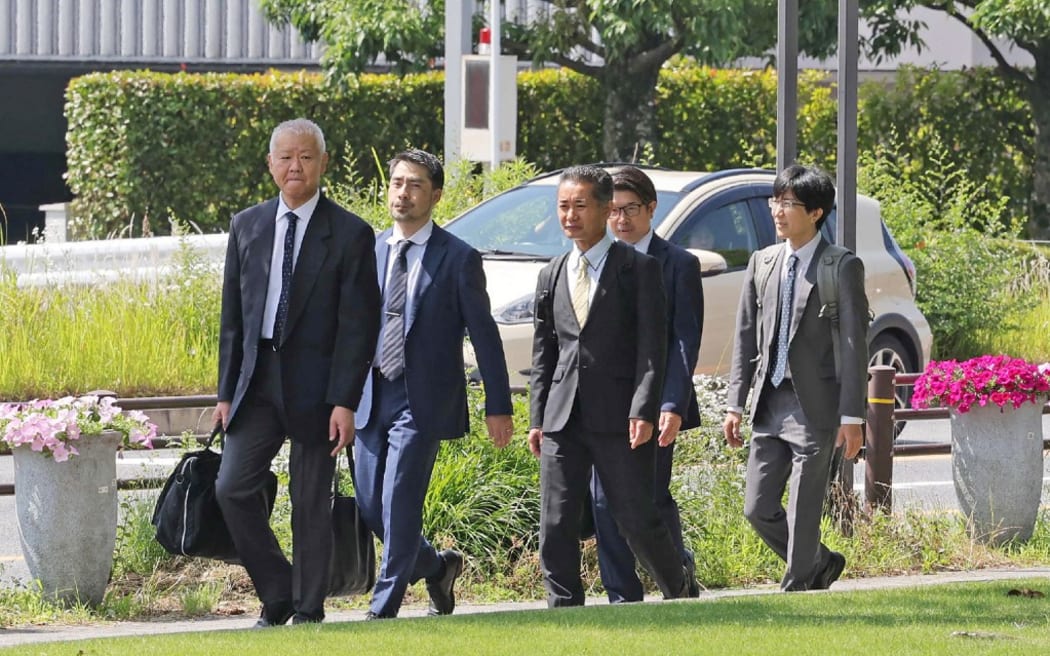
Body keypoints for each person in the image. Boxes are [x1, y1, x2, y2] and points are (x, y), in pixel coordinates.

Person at [213, 118, 381, 626]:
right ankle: (279, 590)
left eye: (305, 157)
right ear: (270, 164)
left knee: (310, 503)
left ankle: (307, 610)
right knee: (232, 488)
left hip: (319, 389)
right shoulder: (248, 225)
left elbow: (358, 328)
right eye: (285, 156)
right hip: (257, 380)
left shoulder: (351, 233)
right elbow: (232, 317)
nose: (294, 166)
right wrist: (225, 391)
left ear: (323, 164)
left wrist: (345, 401)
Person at [353, 149, 514, 619]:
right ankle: (437, 566)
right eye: (397, 182)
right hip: (369, 396)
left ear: (435, 194)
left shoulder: (458, 258)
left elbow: (485, 336)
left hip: (421, 402)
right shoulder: (371, 251)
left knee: (399, 502)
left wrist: (497, 404)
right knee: (371, 508)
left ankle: (382, 609)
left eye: (415, 184)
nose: (403, 192)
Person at [528, 164, 693, 607]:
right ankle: (564, 608)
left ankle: (678, 589)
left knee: (635, 517)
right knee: (556, 519)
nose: (570, 216)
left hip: (620, 415)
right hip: (563, 416)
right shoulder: (553, 273)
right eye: (563, 206)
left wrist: (643, 408)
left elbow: (652, 348)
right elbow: (545, 350)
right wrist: (537, 417)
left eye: (580, 205)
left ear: (604, 209)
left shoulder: (639, 269)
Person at [722, 163, 868, 591]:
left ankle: (796, 588)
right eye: (776, 201)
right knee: (757, 506)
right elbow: (745, 335)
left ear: (817, 212)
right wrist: (735, 402)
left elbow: (854, 345)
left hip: (816, 405)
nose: (778, 211)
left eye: (789, 203)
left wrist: (852, 417)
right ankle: (819, 563)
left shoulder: (840, 266)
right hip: (770, 401)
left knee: (804, 508)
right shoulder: (762, 262)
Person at [589, 165, 704, 603]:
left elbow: (683, 340)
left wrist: (672, 403)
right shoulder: (595, 261)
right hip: (604, 404)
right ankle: (623, 596)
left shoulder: (677, 264)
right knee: (604, 503)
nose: (620, 220)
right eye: (612, 211)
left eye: (630, 209)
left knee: (649, 500)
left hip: (655, 404)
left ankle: (675, 574)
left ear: (651, 209)